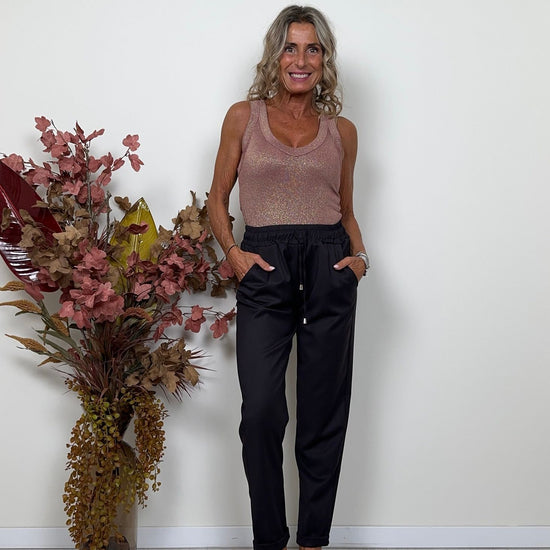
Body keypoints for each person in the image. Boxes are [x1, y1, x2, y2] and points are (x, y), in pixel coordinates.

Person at [208, 6, 369, 550]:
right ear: (275, 56)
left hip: (328, 267)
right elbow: (217, 198)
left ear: (324, 59)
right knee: (261, 412)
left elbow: (346, 210)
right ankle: (270, 540)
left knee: (323, 414)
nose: (301, 60)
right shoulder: (243, 117)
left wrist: (360, 258)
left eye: (312, 48)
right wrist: (234, 253)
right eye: (290, 47)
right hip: (266, 267)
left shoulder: (342, 131)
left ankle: (313, 539)